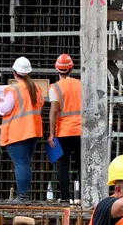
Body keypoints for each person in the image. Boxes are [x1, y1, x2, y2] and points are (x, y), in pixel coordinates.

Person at [0, 56, 45, 202]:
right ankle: (24, 195)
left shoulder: (14, 89)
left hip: (18, 132)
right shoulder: (36, 88)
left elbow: (4, 109)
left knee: (21, 164)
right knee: (26, 163)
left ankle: (22, 196)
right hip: (33, 131)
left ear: (14, 73)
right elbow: (39, 105)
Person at [48, 53, 83, 202]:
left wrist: (51, 133)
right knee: (81, 164)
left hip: (64, 131)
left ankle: (65, 197)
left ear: (57, 69)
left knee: (63, 164)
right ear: (71, 69)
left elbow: (54, 112)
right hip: (81, 130)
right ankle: (82, 196)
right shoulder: (80, 84)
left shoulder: (55, 88)